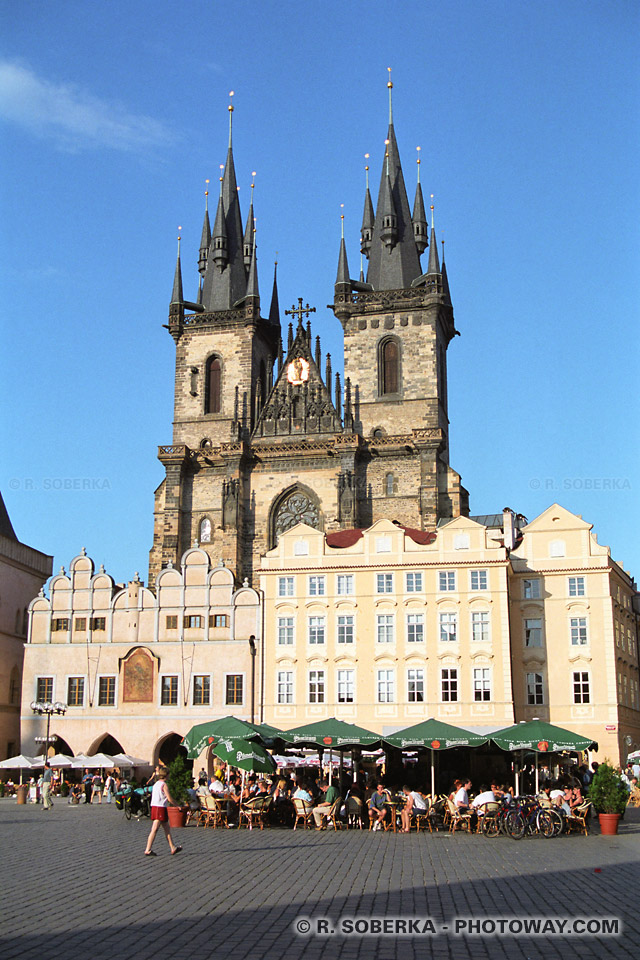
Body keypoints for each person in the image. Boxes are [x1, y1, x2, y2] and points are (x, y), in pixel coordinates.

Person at [143, 765, 182, 857]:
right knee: (154, 829)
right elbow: (169, 798)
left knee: (166, 828)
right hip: (159, 808)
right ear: (166, 775)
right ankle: (148, 849)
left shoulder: (156, 784)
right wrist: (177, 805)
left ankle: (172, 847)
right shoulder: (164, 785)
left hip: (156, 807)